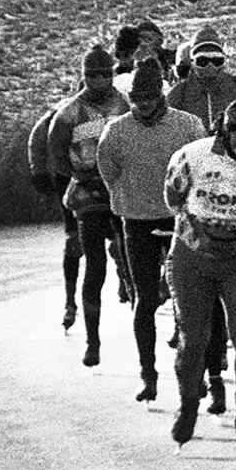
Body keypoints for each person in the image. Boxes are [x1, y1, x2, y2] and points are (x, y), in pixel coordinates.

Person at [162, 98, 236, 447]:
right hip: (192, 256)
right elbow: (173, 200)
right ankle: (187, 407)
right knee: (193, 339)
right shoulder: (191, 155)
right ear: (223, 131)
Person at [96, 61, 205, 399]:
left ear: (161, 94)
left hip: (179, 220)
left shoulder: (188, 126)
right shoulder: (116, 131)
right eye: (137, 98)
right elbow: (109, 172)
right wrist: (130, 197)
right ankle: (148, 374)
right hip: (136, 221)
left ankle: (194, 373)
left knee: (187, 300)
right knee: (143, 300)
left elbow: (201, 168)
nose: (142, 103)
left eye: (149, 97)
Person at [42, 46, 130, 363]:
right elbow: (55, 153)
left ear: (112, 74)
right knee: (93, 265)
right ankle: (92, 341)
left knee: (128, 251)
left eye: (104, 74)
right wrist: (78, 175)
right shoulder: (68, 112)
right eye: (92, 75)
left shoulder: (124, 104)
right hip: (87, 192)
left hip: (120, 188)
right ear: (83, 76)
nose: (98, 80)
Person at [24, 86, 87, 331]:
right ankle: (70, 301)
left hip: (102, 176)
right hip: (70, 176)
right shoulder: (63, 111)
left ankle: (128, 283)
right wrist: (38, 169)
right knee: (74, 237)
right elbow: (38, 136)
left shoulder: (116, 104)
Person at [170, 35, 236, 131]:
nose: (210, 66)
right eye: (203, 61)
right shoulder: (179, 92)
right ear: (192, 62)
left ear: (224, 61)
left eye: (217, 61)